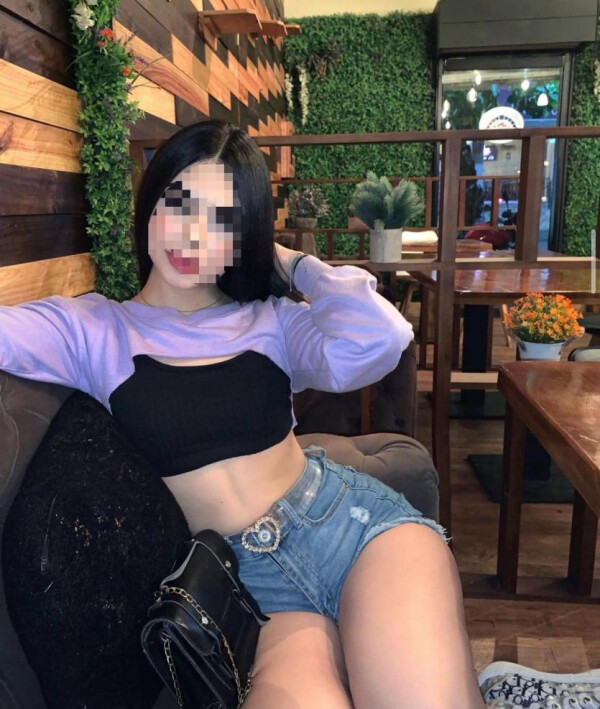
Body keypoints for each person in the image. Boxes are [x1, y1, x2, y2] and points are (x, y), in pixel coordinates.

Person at [2, 119, 600, 709]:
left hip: (351, 529)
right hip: (248, 588)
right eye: (180, 204)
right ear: (152, 203)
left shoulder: (272, 320)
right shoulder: (94, 328)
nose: (193, 236)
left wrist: (290, 263)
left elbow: (382, 338)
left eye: (223, 220)